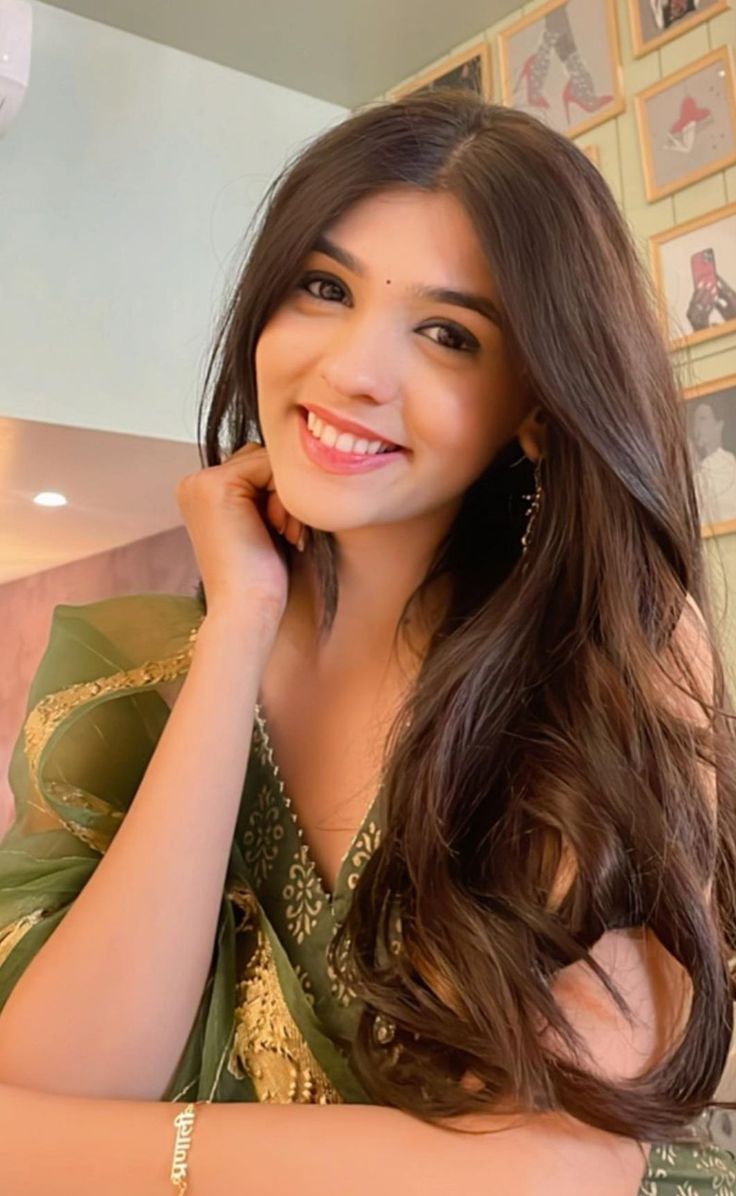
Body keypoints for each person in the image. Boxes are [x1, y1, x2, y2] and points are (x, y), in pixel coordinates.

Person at [0, 90, 734, 1195]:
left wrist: (78, 1155)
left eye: (447, 333)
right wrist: (238, 626)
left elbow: (549, 1165)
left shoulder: (606, 657)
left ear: (533, 405)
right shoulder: (128, 670)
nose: (349, 368)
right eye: (323, 287)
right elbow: (63, 1067)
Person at [691, 399, 736, 528]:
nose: (697, 427)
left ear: (719, 425)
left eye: (703, 419)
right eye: (695, 422)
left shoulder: (731, 464)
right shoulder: (697, 473)